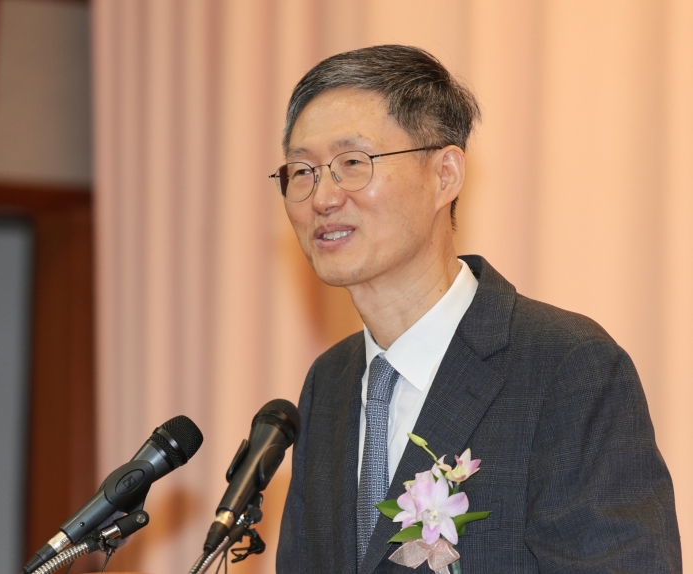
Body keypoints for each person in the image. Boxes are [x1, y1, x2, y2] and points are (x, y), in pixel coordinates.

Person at [274, 45, 681, 574]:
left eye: (352, 163)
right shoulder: (328, 383)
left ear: (444, 175)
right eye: (302, 170)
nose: (322, 197)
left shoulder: (567, 367)